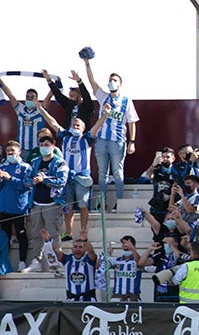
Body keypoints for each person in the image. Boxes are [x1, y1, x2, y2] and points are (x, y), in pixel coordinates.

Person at [34, 103, 99, 240]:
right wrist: (41, 110)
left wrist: (104, 115)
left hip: (82, 177)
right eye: (73, 125)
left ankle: (83, 231)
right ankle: (68, 232)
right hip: (66, 177)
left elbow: (97, 127)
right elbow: (53, 123)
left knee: (83, 205)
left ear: (83, 128)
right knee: (68, 207)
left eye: (78, 125)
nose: (75, 127)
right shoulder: (65, 136)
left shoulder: (87, 138)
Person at [83, 56, 138, 211]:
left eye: (114, 80)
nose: (111, 82)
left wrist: (132, 142)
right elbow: (92, 82)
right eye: (110, 79)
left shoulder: (127, 101)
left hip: (118, 141)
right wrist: (87, 64)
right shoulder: (103, 96)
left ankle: (119, 203)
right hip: (101, 140)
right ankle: (103, 202)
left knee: (118, 173)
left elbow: (132, 121)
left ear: (120, 84)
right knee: (102, 174)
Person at [24, 133, 69, 271]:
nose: (44, 147)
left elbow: (62, 181)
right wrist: (33, 181)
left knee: (54, 234)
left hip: (52, 204)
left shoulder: (60, 162)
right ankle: (36, 262)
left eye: (47, 145)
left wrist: (44, 179)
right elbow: (26, 180)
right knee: (36, 234)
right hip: (36, 203)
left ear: (53, 146)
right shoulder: (35, 162)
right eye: (42, 145)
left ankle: (57, 260)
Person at [1, 140, 34, 271]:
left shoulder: (26, 167)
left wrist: (10, 178)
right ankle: (3, 264)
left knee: (21, 235)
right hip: (3, 207)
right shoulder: (2, 167)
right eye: (8, 151)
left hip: (18, 207)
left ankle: (22, 261)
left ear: (19, 152)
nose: (10, 153)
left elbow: (26, 186)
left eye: (12, 151)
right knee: (4, 237)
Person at [39, 228, 97, 301]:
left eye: (80, 247)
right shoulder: (68, 259)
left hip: (88, 300)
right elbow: (56, 251)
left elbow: (91, 252)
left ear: (85, 249)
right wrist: (48, 239)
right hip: (71, 300)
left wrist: (85, 240)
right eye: (75, 247)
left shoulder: (89, 260)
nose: (77, 249)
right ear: (72, 249)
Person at [0, 78, 47, 157]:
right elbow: (10, 96)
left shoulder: (41, 110)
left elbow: (48, 98)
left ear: (37, 99)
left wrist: (53, 83)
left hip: (36, 149)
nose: (29, 98)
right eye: (27, 96)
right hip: (21, 149)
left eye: (32, 97)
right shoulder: (20, 109)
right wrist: (1, 82)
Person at [108, 235, 142, 302]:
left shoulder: (138, 261)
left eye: (127, 244)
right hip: (117, 297)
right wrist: (105, 254)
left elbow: (140, 263)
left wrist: (133, 249)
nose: (125, 245)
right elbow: (100, 266)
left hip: (133, 298)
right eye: (123, 243)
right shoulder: (116, 260)